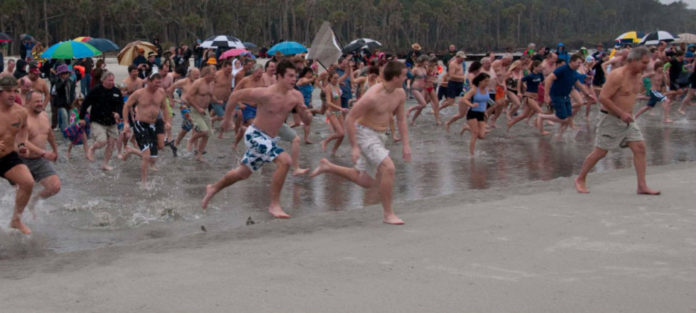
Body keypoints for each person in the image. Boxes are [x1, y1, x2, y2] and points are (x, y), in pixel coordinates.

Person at [202, 60, 313, 218]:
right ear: (279, 76)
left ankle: (213, 188)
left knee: (243, 173)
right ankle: (274, 205)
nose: (294, 79)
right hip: (255, 135)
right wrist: (227, 119)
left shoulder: (296, 96)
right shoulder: (265, 93)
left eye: (295, 76)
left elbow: (307, 121)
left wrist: (304, 112)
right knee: (285, 161)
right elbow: (235, 95)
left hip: (270, 139)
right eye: (290, 76)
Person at [310, 61, 411, 225]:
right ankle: (388, 214)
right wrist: (355, 146)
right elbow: (350, 118)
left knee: (366, 181)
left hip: (380, 135)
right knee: (389, 168)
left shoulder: (400, 93)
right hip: (364, 133)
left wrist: (406, 145)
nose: (407, 77)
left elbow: (401, 120)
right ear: (396, 77)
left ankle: (328, 166)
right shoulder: (372, 96)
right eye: (404, 75)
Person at [574, 47, 660, 196]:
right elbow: (603, 98)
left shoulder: (638, 75)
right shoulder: (617, 75)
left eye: (647, 63)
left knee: (640, 147)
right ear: (633, 60)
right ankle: (580, 179)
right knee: (601, 152)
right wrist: (620, 113)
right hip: (611, 118)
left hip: (628, 120)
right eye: (643, 63)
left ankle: (642, 185)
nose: (646, 66)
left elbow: (631, 95)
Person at [122, 73, 171, 183]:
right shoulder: (139, 93)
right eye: (156, 83)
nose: (158, 85)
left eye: (160, 83)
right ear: (149, 81)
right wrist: (125, 122)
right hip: (141, 124)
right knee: (146, 156)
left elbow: (165, 108)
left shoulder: (161, 92)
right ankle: (144, 183)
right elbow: (127, 105)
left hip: (153, 125)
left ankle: (131, 150)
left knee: (153, 157)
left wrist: (167, 121)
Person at [0, 76, 34, 234]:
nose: (12, 95)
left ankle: (16, 220)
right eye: (8, 91)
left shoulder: (20, 112)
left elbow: (23, 130)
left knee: (28, 182)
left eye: (15, 91)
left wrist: (21, 144)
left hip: (7, 156)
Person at [19, 90, 61, 216]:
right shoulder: (23, 118)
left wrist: (55, 150)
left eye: (41, 101)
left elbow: (49, 133)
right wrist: (43, 153)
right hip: (22, 161)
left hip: (39, 160)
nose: (40, 104)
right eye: (36, 101)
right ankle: (17, 217)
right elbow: (23, 141)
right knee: (22, 191)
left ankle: (34, 202)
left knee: (55, 186)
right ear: (27, 102)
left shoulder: (44, 115)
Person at [536, 54, 597, 136]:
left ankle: (559, 136)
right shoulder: (562, 69)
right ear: (571, 62)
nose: (580, 65)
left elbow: (577, 83)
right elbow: (548, 79)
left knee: (569, 117)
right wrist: (546, 95)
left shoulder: (573, 71)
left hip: (565, 95)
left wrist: (587, 94)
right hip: (556, 95)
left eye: (581, 63)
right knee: (563, 118)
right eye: (578, 63)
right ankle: (542, 116)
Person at [80, 71, 123, 170]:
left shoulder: (116, 91)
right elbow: (85, 104)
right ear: (103, 80)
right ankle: (92, 148)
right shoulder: (96, 90)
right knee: (102, 141)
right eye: (109, 80)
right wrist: (81, 118)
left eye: (113, 80)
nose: (112, 82)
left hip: (111, 122)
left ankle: (105, 164)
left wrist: (118, 113)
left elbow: (121, 105)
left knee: (112, 144)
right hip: (97, 120)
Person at [182, 65, 216, 161]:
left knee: (208, 134)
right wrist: (198, 107)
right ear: (207, 74)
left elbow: (211, 96)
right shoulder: (198, 83)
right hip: (195, 110)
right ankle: (191, 139)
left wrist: (218, 101)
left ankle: (199, 155)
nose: (214, 77)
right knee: (204, 131)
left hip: (205, 111)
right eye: (213, 75)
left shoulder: (212, 83)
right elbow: (188, 97)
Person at [459, 73, 491, 155]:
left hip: (481, 113)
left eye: (488, 81)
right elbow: (464, 99)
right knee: (475, 133)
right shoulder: (474, 90)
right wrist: (471, 105)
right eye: (485, 81)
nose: (487, 83)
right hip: (472, 113)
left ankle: (466, 128)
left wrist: (485, 111)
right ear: (480, 81)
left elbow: (485, 101)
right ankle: (472, 155)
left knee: (481, 136)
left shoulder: (487, 90)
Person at [51, 64, 75, 132]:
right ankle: (66, 132)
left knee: (70, 118)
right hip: (60, 103)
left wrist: (72, 102)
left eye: (66, 73)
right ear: (60, 74)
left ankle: (68, 130)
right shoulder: (57, 81)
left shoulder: (70, 81)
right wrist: (63, 82)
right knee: (64, 117)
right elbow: (58, 89)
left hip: (69, 103)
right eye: (63, 73)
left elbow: (72, 93)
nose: (65, 75)